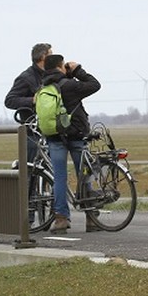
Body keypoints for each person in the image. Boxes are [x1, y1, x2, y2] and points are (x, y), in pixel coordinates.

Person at [39, 53, 101, 233]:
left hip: (55, 138)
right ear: (60, 66)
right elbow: (95, 85)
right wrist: (77, 70)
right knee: (84, 176)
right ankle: (91, 218)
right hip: (75, 136)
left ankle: (61, 219)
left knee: (59, 178)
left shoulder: (44, 87)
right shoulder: (70, 85)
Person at [5, 43, 51, 162]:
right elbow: (10, 100)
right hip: (32, 134)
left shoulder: (50, 75)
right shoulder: (26, 77)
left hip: (49, 131)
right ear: (43, 57)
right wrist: (32, 100)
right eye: (51, 55)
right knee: (31, 173)